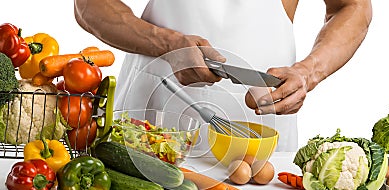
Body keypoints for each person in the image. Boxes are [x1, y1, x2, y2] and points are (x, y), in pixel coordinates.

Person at [74, 0, 372, 152]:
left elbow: (353, 6)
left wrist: (309, 72)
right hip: (151, 122)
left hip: (260, 135)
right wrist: (165, 43)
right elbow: (89, 4)